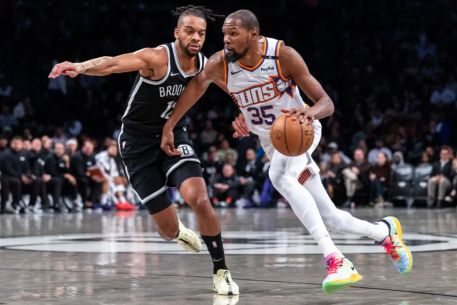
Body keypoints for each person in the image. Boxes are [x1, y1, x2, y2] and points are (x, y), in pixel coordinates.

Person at [161, 9, 413, 293]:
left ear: (253, 36)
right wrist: (171, 124)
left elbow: (326, 102)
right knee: (330, 216)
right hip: (272, 142)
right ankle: (384, 233)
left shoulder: (282, 55)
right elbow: (196, 88)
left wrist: (310, 114)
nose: (226, 40)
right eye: (224, 34)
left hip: (300, 132)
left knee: (278, 177)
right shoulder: (220, 64)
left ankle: (336, 260)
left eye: (233, 34)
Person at [48, 5, 238, 295]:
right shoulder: (157, 58)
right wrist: (80, 67)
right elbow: (112, 63)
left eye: (201, 32)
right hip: (137, 144)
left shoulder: (203, 64)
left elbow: (231, 84)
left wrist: (246, 111)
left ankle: (220, 270)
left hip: (174, 135)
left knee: (199, 198)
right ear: (176, 33)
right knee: (166, 230)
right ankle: (179, 232)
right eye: (189, 31)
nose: (195, 37)